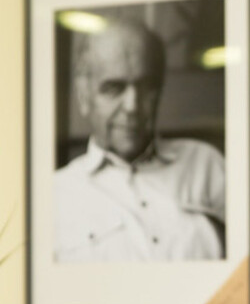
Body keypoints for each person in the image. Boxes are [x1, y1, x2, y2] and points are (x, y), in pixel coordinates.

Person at [54, 20, 226, 263]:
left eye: (146, 87)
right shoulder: (57, 196)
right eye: (114, 88)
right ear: (84, 96)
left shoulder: (207, 166)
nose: (132, 106)